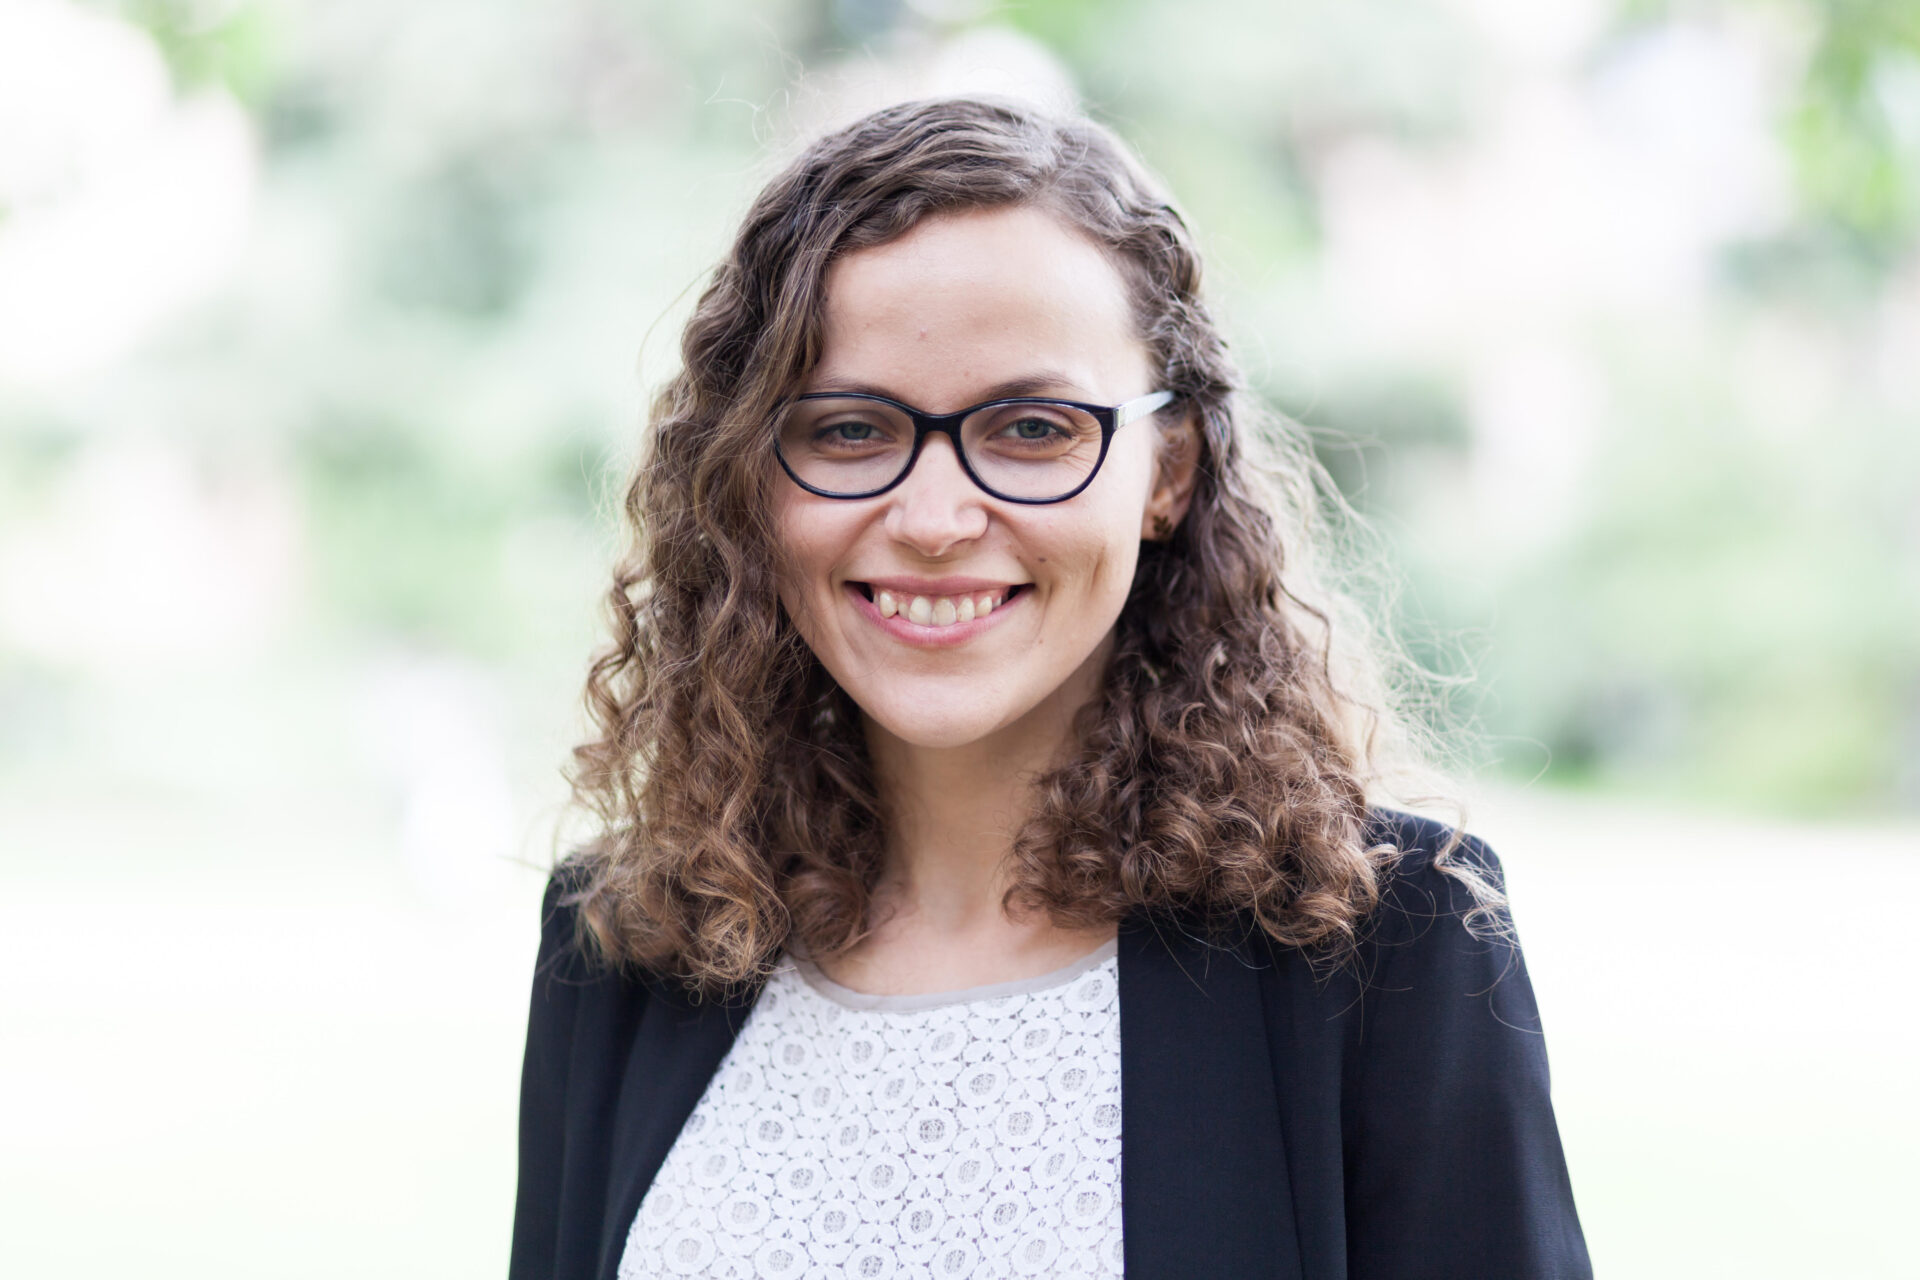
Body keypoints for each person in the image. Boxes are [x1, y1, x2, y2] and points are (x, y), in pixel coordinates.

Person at [511, 96, 1591, 1280]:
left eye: (1032, 426)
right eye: (849, 428)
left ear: (1166, 471)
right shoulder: (630, 941)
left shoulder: (1387, 948)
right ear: (748, 476)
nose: (932, 520)